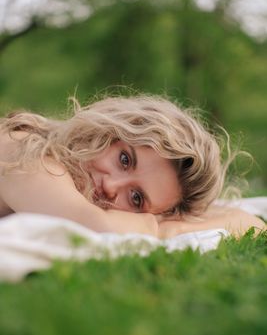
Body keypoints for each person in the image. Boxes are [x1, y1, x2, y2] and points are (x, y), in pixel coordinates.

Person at [0, 95, 265, 238]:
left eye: (136, 198)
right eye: (124, 160)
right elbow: (96, 228)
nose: (111, 186)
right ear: (107, 132)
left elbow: (250, 223)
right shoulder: (24, 150)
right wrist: (165, 229)